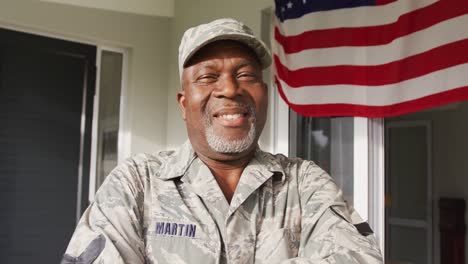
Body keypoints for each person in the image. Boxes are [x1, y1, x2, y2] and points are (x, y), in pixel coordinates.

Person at [62, 18, 383, 264]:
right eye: (207, 76)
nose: (230, 89)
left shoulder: (304, 183)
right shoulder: (137, 183)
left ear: (265, 97)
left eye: (246, 75)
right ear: (183, 103)